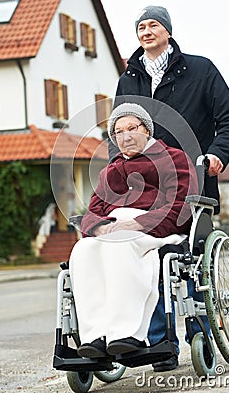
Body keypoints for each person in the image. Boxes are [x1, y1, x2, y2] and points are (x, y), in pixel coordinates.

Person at [109, 5, 229, 371]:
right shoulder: (129, 79)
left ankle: (202, 335)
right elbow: (118, 131)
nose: (146, 30)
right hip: (145, 189)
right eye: (140, 26)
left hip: (192, 183)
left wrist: (217, 154)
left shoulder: (200, 69)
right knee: (145, 256)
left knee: (192, 263)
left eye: (153, 24)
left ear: (168, 31)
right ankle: (159, 344)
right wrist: (115, 171)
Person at [69, 103, 198, 359]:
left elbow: (181, 205)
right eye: (118, 131)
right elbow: (93, 210)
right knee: (83, 250)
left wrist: (140, 223)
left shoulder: (173, 158)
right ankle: (95, 336)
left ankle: (127, 334)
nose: (126, 136)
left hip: (156, 228)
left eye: (132, 128)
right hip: (113, 229)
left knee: (121, 244)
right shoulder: (111, 170)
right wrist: (99, 228)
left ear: (147, 130)